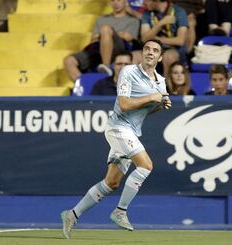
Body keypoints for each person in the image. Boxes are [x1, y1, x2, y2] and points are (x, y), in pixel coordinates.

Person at [60, 39, 172, 239]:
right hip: (118, 127)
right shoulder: (128, 72)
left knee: (111, 183)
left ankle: (72, 214)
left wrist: (159, 105)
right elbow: (125, 104)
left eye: (155, 50)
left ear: (160, 57)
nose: (150, 52)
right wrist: (151, 98)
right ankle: (121, 211)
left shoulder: (160, 82)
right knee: (146, 166)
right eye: (147, 48)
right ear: (142, 53)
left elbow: (147, 110)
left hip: (132, 131)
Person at [64, 0, 140, 84]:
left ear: (125, 2)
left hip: (120, 49)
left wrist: (105, 34)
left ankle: (106, 66)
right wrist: (108, 35)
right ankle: (84, 86)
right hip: (99, 48)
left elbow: (128, 38)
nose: (115, 3)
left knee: (105, 29)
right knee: (69, 61)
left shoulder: (132, 20)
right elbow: (93, 39)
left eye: (119, 0)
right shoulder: (102, 19)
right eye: (112, 1)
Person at [140, 0, 188, 78]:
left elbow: (180, 41)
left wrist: (155, 38)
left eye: (147, 0)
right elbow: (144, 39)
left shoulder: (179, 12)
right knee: (135, 56)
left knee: (169, 56)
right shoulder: (147, 13)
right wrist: (161, 23)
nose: (143, 3)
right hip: (153, 48)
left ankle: (167, 88)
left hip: (176, 50)